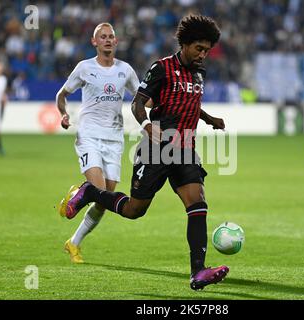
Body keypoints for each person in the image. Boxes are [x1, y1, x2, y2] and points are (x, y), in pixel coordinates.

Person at [58, 15, 229, 290]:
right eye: (199, 48)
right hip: (156, 149)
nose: (203, 54)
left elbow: (189, 103)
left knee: (198, 203)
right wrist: (148, 127)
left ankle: (198, 272)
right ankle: (90, 192)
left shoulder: (200, 73)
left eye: (207, 50)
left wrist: (208, 119)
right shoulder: (161, 68)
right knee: (135, 210)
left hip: (185, 148)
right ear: (184, 44)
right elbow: (138, 104)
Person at [56, 23, 143, 263]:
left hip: (114, 139)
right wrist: (63, 114)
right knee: (99, 192)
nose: (107, 40)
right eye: (102, 37)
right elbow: (61, 94)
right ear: (94, 42)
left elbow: (142, 99)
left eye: (111, 36)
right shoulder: (84, 68)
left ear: (116, 42)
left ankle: (73, 242)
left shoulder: (125, 70)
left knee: (105, 200)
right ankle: (81, 192)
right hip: (89, 135)